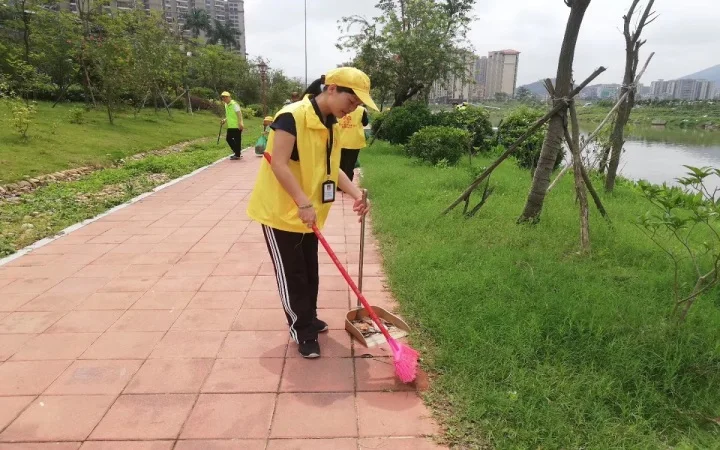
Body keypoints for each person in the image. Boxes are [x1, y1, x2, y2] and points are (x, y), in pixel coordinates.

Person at [247, 67, 377, 358]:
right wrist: (303, 203)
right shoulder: (290, 117)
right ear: (331, 89)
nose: (351, 110)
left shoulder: (331, 123)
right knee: (292, 274)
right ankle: (302, 330)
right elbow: (278, 164)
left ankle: (309, 316)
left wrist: (356, 194)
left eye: (357, 105)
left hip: (309, 214)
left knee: (309, 271)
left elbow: (332, 169)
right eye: (351, 101)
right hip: (282, 212)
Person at [338, 105, 369, 183]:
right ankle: (347, 185)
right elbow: (365, 123)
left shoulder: (339, 107)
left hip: (339, 141)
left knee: (339, 165)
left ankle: (339, 185)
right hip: (354, 142)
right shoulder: (361, 110)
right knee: (350, 165)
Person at [220, 91, 244, 160]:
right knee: (228, 139)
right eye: (223, 97)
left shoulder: (234, 104)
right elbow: (229, 115)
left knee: (237, 140)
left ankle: (237, 154)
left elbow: (239, 114)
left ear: (229, 97)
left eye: (226, 97)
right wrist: (225, 120)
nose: (224, 98)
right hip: (230, 125)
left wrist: (240, 123)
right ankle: (237, 151)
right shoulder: (226, 105)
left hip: (236, 125)